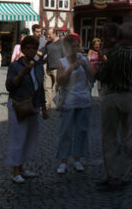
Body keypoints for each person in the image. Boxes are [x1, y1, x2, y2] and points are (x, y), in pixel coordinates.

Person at [96, 22, 132, 191]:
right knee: (130, 137)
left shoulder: (113, 54)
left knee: (110, 138)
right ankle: (125, 176)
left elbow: (102, 76)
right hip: (131, 98)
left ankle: (112, 175)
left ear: (120, 37)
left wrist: (96, 70)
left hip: (112, 97)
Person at [5, 35, 47, 183]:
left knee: (29, 138)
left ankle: (22, 167)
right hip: (19, 104)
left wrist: (43, 107)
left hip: (33, 105)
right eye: (28, 48)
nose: (31, 51)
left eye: (34, 48)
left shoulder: (38, 66)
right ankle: (15, 170)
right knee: (18, 137)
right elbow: (10, 86)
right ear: (22, 49)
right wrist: (23, 73)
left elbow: (40, 87)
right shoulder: (15, 66)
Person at [56, 33, 93, 174]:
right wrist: (72, 68)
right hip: (69, 101)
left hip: (83, 100)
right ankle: (63, 161)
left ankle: (77, 159)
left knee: (81, 130)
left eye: (78, 46)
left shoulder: (84, 60)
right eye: (73, 46)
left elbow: (92, 78)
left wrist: (87, 66)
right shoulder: (62, 62)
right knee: (65, 131)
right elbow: (60, 81)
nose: (76, 49)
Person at [43, 28, 64, 110]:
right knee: (46, 87)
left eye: (49, 34)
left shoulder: (62, 43)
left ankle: (59, 104)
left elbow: (65, 55)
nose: (47, 36)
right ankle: (47, 105)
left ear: (55, 33)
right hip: (48, 67)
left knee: (58, 88)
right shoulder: (48, 44)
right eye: (47, 34)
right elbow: (42, 53)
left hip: (58, 69)